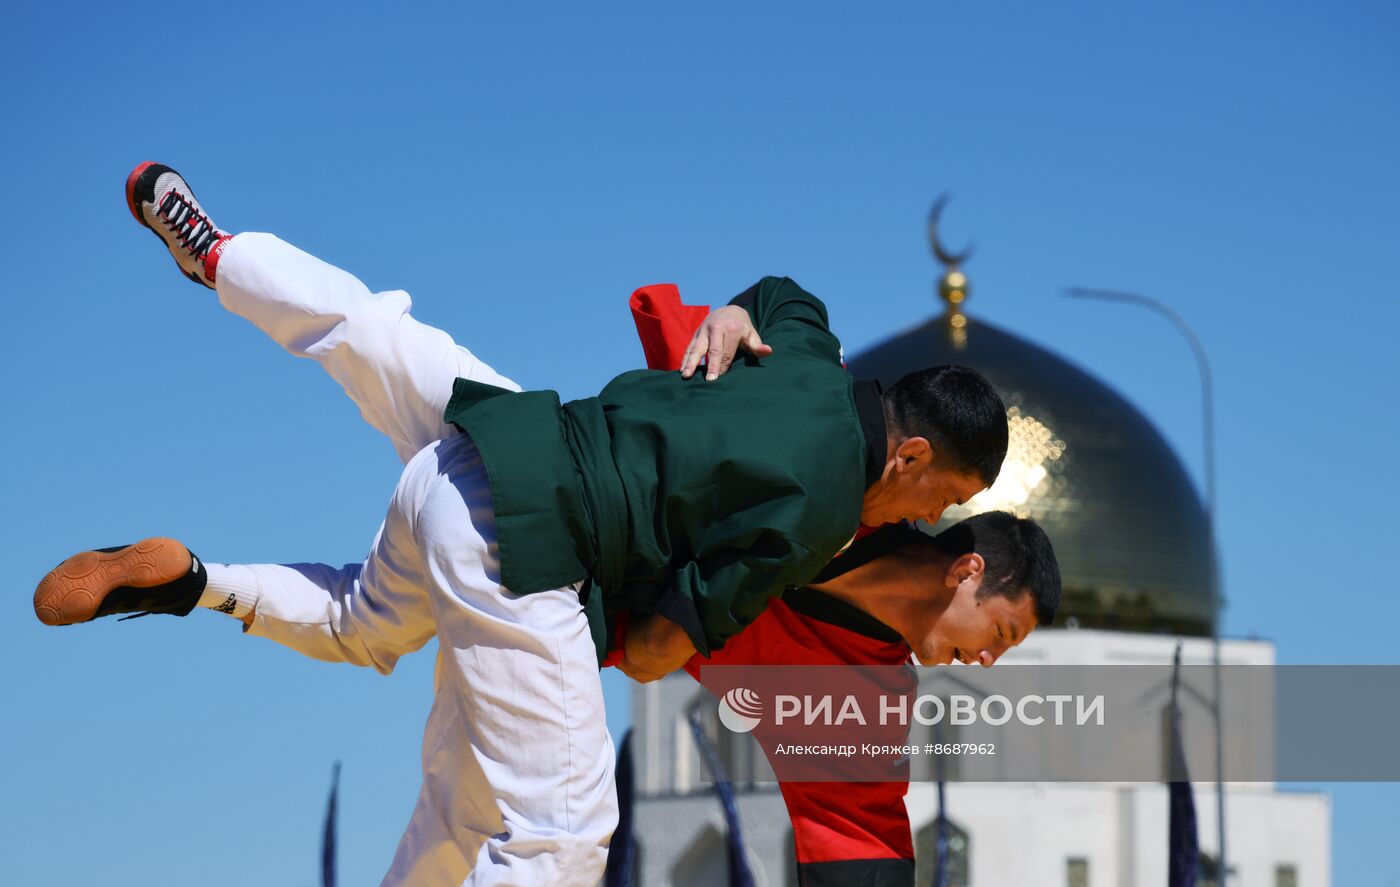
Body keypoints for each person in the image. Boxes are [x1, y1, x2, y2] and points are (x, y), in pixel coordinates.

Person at [33, 162, 1012, 887]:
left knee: (372, 333)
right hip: (529, 553)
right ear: (912, 454)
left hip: (489, 439)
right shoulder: (823, 514)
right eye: (941, 495)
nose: (927, 516)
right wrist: (660, 625)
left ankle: (223, 269)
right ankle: (203, 581)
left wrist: (729, 311)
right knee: (561, 832)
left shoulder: (808, 361)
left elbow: (783, 293)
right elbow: (663, 640)